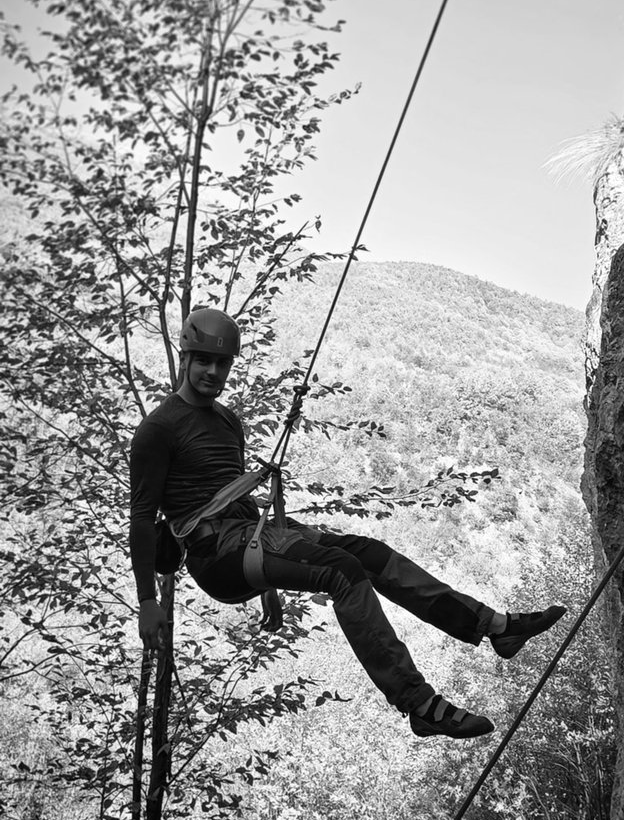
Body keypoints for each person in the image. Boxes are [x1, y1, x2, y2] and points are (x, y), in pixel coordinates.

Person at [130, 308, 566, 740]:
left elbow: (234, 501)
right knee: (341, 571)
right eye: (203, 360)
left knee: (367, 553)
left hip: (250, 541)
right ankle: (419, 704)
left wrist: (268, 588)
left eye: (221, 362)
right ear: (184, 357)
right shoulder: (159, 429)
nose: (212, 370)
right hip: (215, 557)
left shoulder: (227, 421)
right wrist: (148, 601)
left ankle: (494, 627)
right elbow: (142, 519)